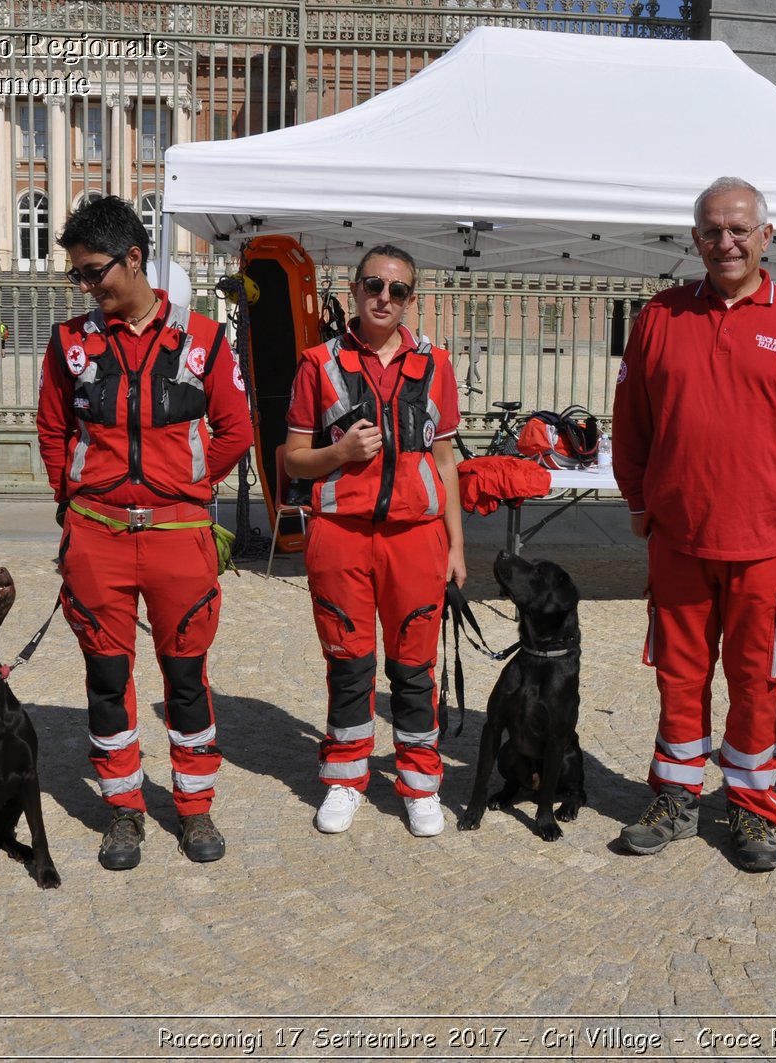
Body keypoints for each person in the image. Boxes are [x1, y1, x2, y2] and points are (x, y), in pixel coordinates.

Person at [612, 176, 776, 873]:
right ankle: (677, 796)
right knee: (679, 677)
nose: (727, 242)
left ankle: (750, 807)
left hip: (766, 546)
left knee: (758, 680)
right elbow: (630, 426)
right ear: (695, 240)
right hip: (680, 542)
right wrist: (638, 501)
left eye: (740, 229)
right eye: (713, 230)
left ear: (766, 236)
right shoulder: (660, 318)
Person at [35, 195, 253, 870]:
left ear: (135, 259)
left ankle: (193, 807)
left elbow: (236, 431)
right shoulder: (70, 344)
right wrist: (72, 503)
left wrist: (184, 486)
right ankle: (124, 808)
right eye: (77, 275)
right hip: (96, 536)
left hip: (177, 537)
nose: (86, 287)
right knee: (107, 677)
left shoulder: (205, 340)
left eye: (94, 271)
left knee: (185, 678)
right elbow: (51, 430)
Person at [283, 244, 466, 838]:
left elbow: (446, 462)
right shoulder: (318, 362)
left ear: (412, 298)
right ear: (356, 289)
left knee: (415, 668)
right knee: (349, 662)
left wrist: (456, 547)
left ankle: (419, 783)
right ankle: (345, 776)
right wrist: (339, 453)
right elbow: (291, 459)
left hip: (415, 538)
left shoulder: (436, 363)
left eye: (398, 290)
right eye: (373, 286)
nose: (384, 298)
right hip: (342, 535)